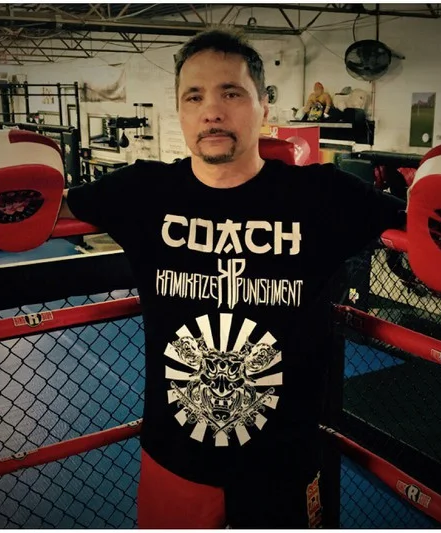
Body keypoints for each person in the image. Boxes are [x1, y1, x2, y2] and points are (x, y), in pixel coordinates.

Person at [57, 28, 407, 528]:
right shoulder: (143, 191)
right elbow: (35, 209)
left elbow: (433, 228)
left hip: (281, 463)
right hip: (175, 458)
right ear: (180, 110)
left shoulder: (321, 195)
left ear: (264, 105)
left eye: (231, 93)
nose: (212, 111)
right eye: (194, 96)